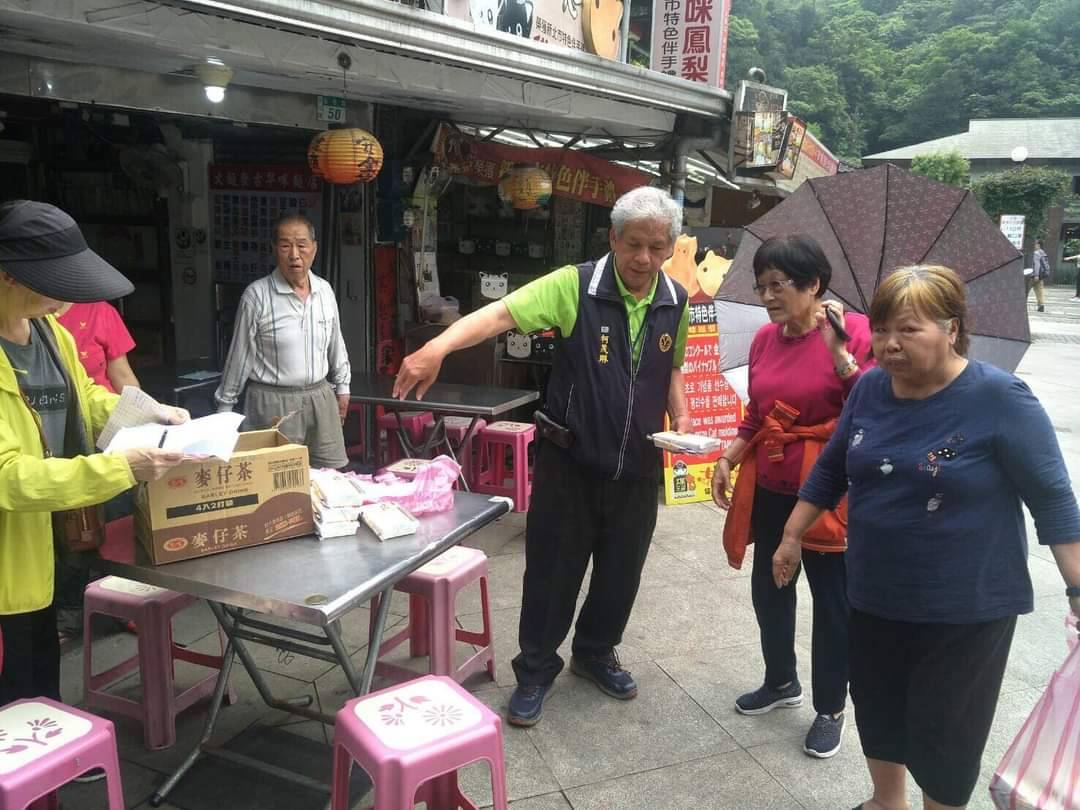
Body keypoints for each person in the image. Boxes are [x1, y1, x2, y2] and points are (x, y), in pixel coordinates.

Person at [774, 265, 1080, 810]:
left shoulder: (1001, 398)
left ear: (954, 328)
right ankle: (885, 801)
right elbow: (831, 471)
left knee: (947, 727)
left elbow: (1054, 501)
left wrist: (1078, 588)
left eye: (909, 330)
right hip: (873, 590)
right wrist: (791, 535)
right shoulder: (869, 386)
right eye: (884, 328)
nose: (889, 344)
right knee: (878, 704)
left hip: (965, 605)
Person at [394, 186, 691, 726]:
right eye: (633, 245)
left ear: (670, 246)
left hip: (639, 467)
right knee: (554, 572)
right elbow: (500, 316)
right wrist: (437, 347)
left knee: (622, 573)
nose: (643, 258)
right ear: (612, 239)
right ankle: (534, 670)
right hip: (570, 463)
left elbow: (671, 370)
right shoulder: (575, 285)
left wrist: (685, 420)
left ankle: (595, 652)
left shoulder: (676, 298)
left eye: (656, 246)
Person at [0, 200, 188, 706]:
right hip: (7, 554)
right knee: (10, 679)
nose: (65, 298)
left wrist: (152, 414)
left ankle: (53, 756)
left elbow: (86, 398)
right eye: (55, 282)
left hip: (51, 536)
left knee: (41, 660)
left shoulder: (49, 332)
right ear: (10, 276)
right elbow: (9, 477)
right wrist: (120, 468)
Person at [711, 234, 872, 759]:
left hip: (829, 489)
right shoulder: (764, 339)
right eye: (762, 287)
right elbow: (757, 414)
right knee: (770, 589)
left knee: (831, 605)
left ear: (814, 284)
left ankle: (831, 708)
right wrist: (728, 458)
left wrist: (840, 354)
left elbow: (871, 411)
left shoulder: (857, 333)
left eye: (777, 285)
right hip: (775, 484)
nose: (767, 297)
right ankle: (781, 681)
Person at [215, 213, 351, 469]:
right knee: (275, 485)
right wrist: (225, 408)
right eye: (286, 245)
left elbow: (336, 342)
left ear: (314, 248)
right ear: (274, 249)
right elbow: (240, 355)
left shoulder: (324, 291)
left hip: (319, 396)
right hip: (271, 402)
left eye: (301, 244)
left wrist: (343, 386)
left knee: (328, 477)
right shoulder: (257, 295)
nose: (294, 254)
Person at [52, 300, 141, 643]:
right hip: (59, 440)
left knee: (117, 521)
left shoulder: (100, 310)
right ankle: (69, 613)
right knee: (68, 528)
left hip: (109, 432)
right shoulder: (31, 318)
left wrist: (147, 415)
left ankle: (125, 605)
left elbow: (121, 376)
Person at [56, 301, 139, 393]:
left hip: (104, 403)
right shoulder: (38, 317)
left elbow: (122, 375)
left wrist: (138, 406)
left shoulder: (99, 310)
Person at [1027, 239, 1050, 312]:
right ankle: (1041, 305)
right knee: (1040, 291)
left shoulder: (1036, 253)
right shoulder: (1043, 253)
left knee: (1025, 290)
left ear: (1038, 245)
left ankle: (1021, 305)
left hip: (1034, 276)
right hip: (1041, 276)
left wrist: (1036, 275)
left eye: (1035, 244)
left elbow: (1037, 264)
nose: (1033, 245)